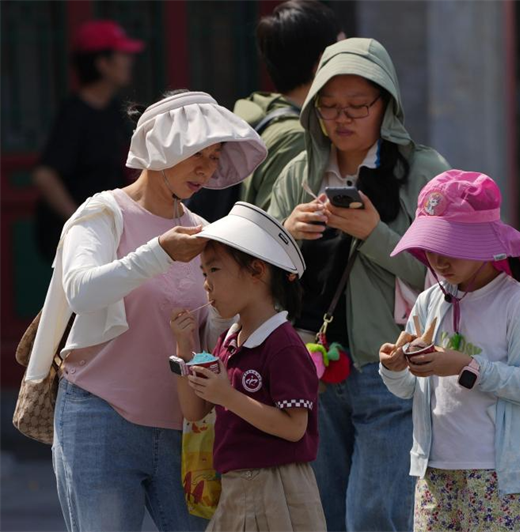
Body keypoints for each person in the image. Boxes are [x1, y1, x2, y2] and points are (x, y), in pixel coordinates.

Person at [25, 90, 266, 532]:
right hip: (101, 420)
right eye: (198, 153)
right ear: (160, 147)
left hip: (186, 427)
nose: (207, 169)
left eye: (215, 158)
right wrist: (158, 252)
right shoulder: (103, 213)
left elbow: (215, 331)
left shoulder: (204, 233)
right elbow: (80, 291)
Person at [268, 37, 450, 531]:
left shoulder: (424, 171)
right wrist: (285, 234)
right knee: (323, 512)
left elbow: (449, 279)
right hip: (309, 365)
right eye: (327, 108)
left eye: (356, 106)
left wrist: (375, 235)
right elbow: (255, 278)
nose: (341, 119)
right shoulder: (298, 172)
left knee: (374, 514)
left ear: (385, 105)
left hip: (389, 366)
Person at [378, 170, 520, 532]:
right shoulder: (429, 300)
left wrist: (466, 366)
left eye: (450, 246)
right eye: (431, 246)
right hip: (434, 472)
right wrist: (395, 366)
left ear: (484, 243)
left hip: (498, 474)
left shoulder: (516, 303)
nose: (438, 260)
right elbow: (405, 390)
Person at [170, 202, 325, 532]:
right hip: (236, 486)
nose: (206, 284)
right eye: (203, 274)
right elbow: (195, 411)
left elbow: (294, 426)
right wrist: (184, 350)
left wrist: (228, 396)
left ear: (257, 272)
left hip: (278, 486)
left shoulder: (282, 344)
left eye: (215, 270)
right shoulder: (229, 340)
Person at [186, 0, 343, 222]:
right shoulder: (296, 137)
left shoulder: (256, 110)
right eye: (342, 53)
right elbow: (275, 232)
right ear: (321, 64)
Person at [33, 20, 144, 261]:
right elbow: (45, 176)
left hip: (109, 234)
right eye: (122, 55)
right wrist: (80, 222)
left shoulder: (115, 110)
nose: (129, 61)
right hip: (80, 244)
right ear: (102, 63)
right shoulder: (74, 114)